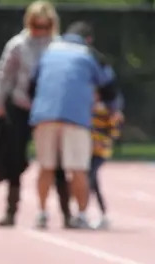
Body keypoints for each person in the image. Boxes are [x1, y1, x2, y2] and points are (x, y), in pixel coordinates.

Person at [29, 21, 120, 229]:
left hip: (44, 114)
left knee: (46, 167)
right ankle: (81, 215)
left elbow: (32, 84)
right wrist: (113, 110)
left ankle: (42, 213)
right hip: (75, 117)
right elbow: (109, 87)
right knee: (78, 168)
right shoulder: (90, 54)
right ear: (88, 39)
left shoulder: (48, 51)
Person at [0, 0, 60, 227]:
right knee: (14, 160)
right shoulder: (18, 45)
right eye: (36, 26)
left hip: (49, 110)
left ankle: (66, 212)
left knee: (54, 161)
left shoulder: (58, 46)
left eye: (45, 26)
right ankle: (11, 210)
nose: (40, 31)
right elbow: (4, 75)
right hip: (21, 107)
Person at [89, 90, 123, 230]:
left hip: (100, 151)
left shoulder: (106, 110)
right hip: (87, 151)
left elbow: (114, 131)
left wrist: (102, 141)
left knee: (90, 178)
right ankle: (102, 214)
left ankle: (84, 211)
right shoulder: (87, 108)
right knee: (93, 182)